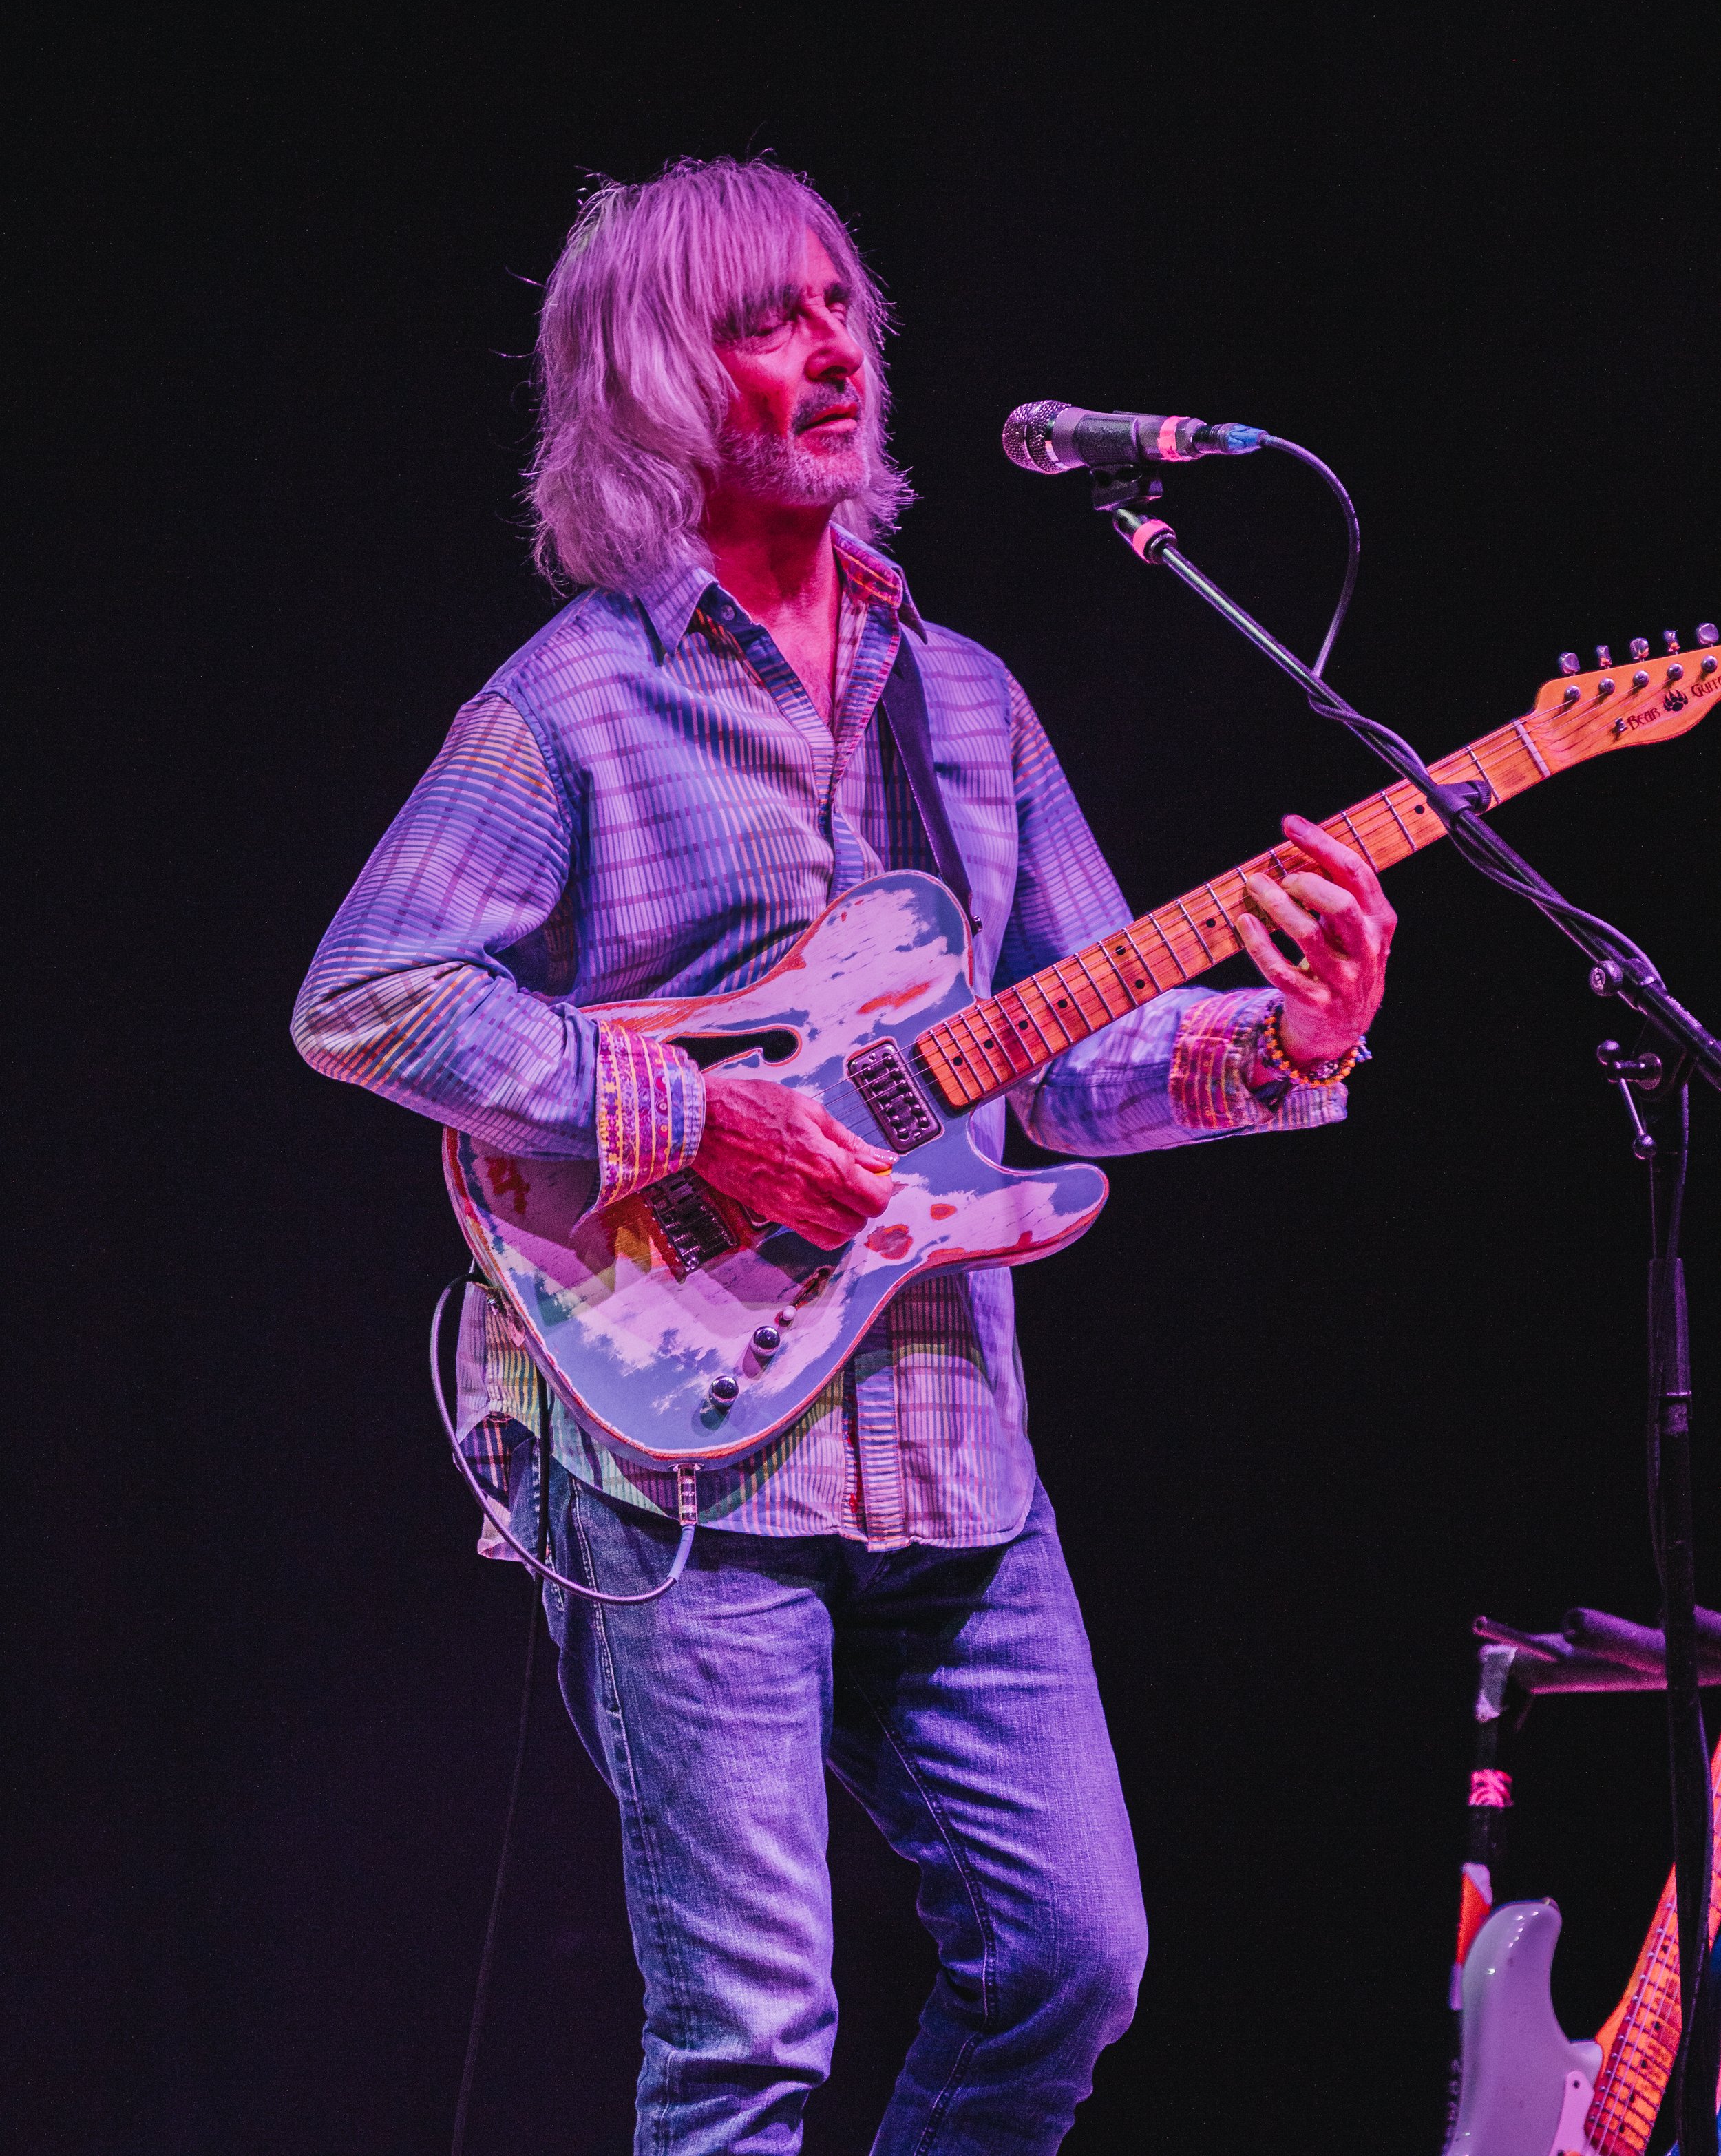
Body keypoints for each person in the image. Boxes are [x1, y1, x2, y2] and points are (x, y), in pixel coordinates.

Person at [293, 156, 1395, 2155]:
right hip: (681, 1458)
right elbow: (369, 998)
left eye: (837, 308)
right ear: (648, 379)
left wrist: (1285, 1041)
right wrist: (701, 1115)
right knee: (750, 2046)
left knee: (1068, 1960)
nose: (829, 350)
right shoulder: (575, 704)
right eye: (760, 320)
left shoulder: (964, 702)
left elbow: (1073, 1064)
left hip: (950, 1452)